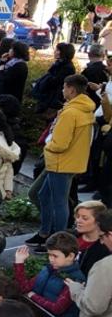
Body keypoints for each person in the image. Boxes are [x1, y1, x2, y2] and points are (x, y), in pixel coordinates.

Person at [37, 75, 97, 240]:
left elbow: (60, 144)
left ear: (71, 89)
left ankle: (58, 239)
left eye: (64, 87)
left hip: (61, 162)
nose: (63, 91)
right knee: (44, 195)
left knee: (59, 202)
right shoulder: (85, 109)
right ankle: (45, 232)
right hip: (71, 161)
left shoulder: (70, 113)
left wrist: (48, 145)